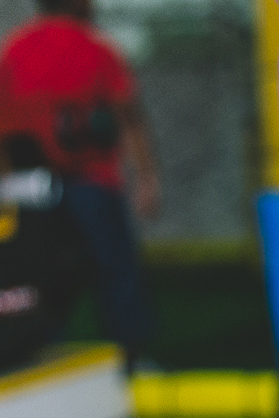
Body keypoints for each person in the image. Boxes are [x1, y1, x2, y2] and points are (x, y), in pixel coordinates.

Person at [0, 0, 159, 370]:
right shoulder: (98, 47)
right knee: (114, 268)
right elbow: (129, 115)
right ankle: (133, 355)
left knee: (40, 272)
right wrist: (147, 177)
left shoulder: (15, 48)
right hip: (92, 181)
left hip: (30, 186)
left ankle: (38, 353)